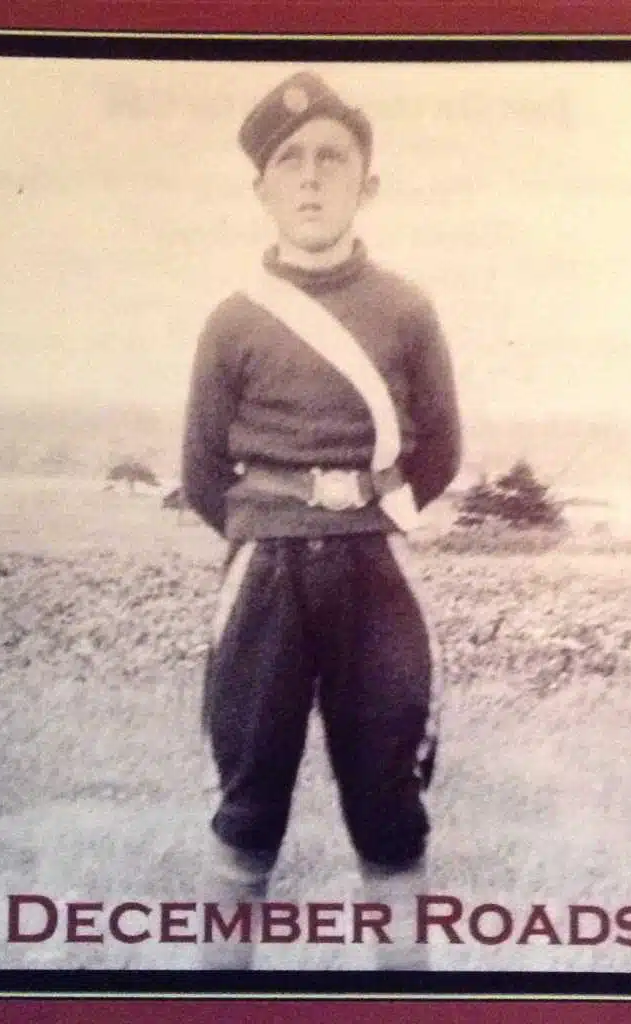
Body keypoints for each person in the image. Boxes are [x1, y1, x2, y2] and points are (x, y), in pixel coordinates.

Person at [181, 70, 462, 971]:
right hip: (264, 575)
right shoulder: (232, 322)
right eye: (289, 162)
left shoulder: (407, 309)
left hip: (376, 574)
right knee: (248, 809)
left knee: (389, 809)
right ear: (262, 189)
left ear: (366, 186)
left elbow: (442, 449)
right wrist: (276, 522)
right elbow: (201, 473)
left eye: (333, 160)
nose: (310, 178)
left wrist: (363, 512)